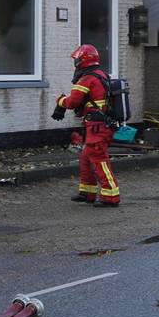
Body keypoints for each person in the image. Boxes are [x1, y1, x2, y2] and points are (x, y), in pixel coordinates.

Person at [52, 44, 120, 207]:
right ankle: (87, 192)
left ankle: (111, 196)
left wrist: (59, 101)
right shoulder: (100, 74)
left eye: (77, 60)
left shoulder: (87, 78)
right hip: (98, 125)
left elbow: (72, 101)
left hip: (97, 126)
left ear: (83, 60)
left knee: (99, 159)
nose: (75, 63)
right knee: (86, 159)